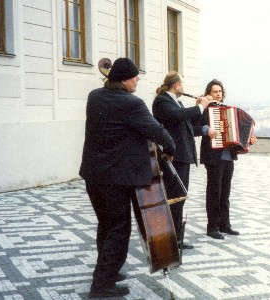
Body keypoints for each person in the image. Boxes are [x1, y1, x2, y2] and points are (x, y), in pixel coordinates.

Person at [79, 58, 176, 298]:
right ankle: (101, 285)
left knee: (106, 224)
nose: (138, 80)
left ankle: (107, 271)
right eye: (134, 77)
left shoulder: (95, 96)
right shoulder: (132, 103)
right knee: (119, 228)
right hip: (116, 179)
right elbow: (156, 130)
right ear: (124, 79)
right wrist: (171, 147)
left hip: (94, 175)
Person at [152, 72, 211, 249]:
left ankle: (176, 238)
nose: (183, 88)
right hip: (174, 156)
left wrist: (199, 109)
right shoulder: (162, 100)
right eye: (182, 85)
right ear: (176, 85)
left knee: (180, 197)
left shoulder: (176, 102)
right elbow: (177, 116)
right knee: (175, 197)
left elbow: (187, 125)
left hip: (182, 156)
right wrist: (199, 107)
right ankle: (171, 240)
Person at [199, 79, 257, 239]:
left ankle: (225, 225)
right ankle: (212, 227)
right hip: (213, 157)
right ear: (208, 94)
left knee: (225, 193)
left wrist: (249, 139)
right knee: (214, 193)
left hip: (228, 157)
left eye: (220, 92)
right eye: (214, 92)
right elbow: (195, 127)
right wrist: (207, 130)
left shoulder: (228, 110)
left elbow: (241, 132)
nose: (218, 94)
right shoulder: (205, 110)